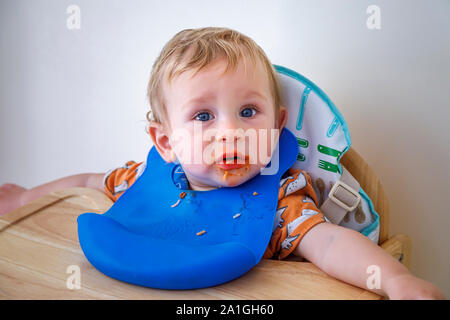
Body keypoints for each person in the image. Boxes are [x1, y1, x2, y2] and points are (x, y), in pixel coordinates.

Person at [0, 27, 445, 299]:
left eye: (248, 112)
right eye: (203, 116)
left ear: (277, 128)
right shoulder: (146, 179)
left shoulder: (281, 198)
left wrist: (394, 280)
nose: (230, 132)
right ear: (165, 141)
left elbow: (328, 244)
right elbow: (87, 180)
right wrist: (26, 195)